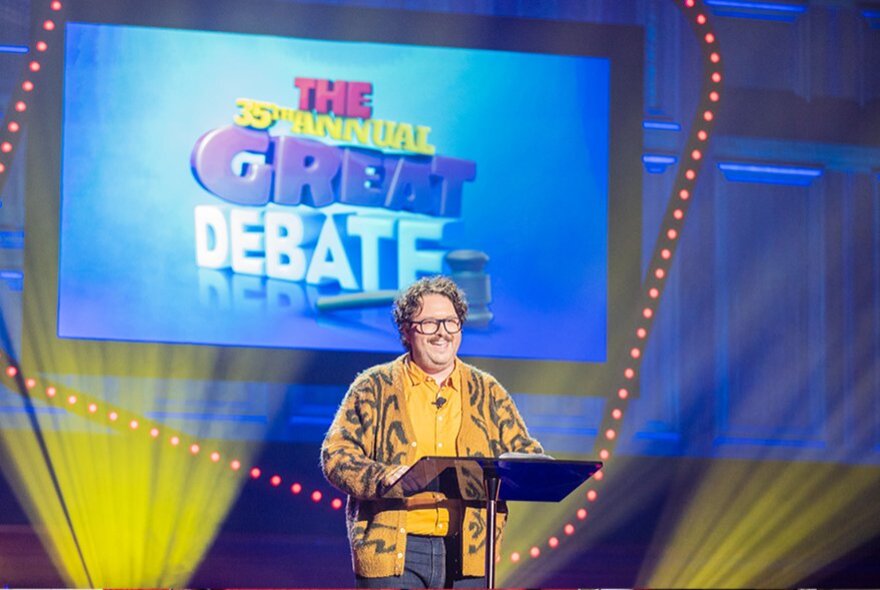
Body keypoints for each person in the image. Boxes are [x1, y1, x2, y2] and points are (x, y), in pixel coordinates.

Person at [321, 275, 544, 588]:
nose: (442, 333)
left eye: (451, 322)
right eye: (429, 323)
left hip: (468, 554)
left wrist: (532, 468)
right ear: (406, 330)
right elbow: (336, 456)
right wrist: (385, 478)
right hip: (393, 553)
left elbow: (526, 455)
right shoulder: (373, 387)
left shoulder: (489, 392)